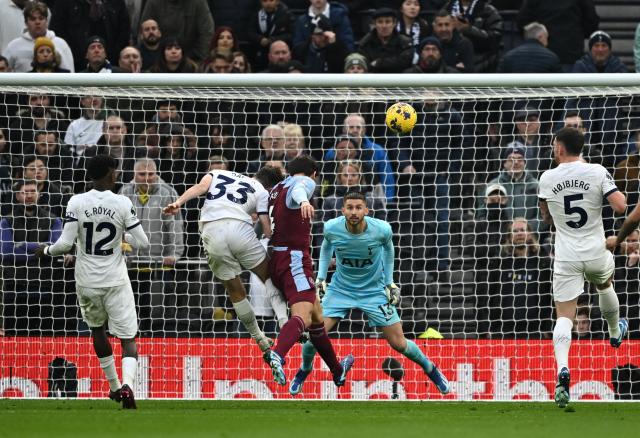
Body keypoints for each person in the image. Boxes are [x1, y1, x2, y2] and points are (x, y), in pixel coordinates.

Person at [288, 190, 450, 396]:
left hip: (373, 290)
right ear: (342, 210)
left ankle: (431, 370)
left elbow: (389, 250)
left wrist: (389, 282)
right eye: (349, 207)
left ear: (366, 210)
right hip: (340, 289)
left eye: (358, 208)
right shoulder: (331, 228)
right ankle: (304, 369)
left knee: (398, 343)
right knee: (314, 338)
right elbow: (326, 246)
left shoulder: (381, 229)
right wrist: (321, 278)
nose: (354, 212)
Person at [35, 155, 150, 409]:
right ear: (109, 172)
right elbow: (143, 243)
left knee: (97, 330)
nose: (118, 174)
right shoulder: (122, 202)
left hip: (86, 280)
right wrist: (122, 237)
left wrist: (45, 251)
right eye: (116, 171)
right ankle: (128, 385)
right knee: (128, 337)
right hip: (115, 280)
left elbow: (64, 244)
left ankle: (114, 387)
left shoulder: (76, 201)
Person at [538, 127, 628, 408]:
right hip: (596, 249)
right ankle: (615, 332)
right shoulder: (597, 171)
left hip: (566, 255)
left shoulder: (547, 178)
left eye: (555, 145)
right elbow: (620, 206)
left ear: (561, 148)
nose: (554, 149)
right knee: (604, 284)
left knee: (564, 315)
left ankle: (562, 369)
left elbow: (546, 219)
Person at [162, 166, 290, 350]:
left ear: (255, 175)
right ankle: (284, 322)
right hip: (239, 229)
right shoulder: (263, 192)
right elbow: (264, 224)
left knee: (235, 290)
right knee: (268, 277)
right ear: (271, 188)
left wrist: (178, 202)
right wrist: (271, 235)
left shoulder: (218, 172)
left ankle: (259, 338)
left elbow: (199, 188)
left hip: (211, 231)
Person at [265, 155, 354, 387]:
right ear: (314, 173)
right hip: (293, 259)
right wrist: (304, 201)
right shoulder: (304, 183)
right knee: (302, 316)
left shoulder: (276, 188)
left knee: (317, 318)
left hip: (277, 257)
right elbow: (301, 189)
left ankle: (337, 370)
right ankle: (278, 353)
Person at [119, 159, 184, 334]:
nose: (147, 178)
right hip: (130, 262)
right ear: (134, 175)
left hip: (159, 262)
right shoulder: (124, 192)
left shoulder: (168, 193)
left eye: (150, 174)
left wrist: (174, 254)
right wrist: (120, 252)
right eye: (142, 174)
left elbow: (175, 226)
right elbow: (118, 225)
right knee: (130, 304)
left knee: (157, 308)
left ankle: (155, 336)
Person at [3, 1, 74, 72]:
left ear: (46, 21)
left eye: (41, 18)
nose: (37, 22)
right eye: (33, 19)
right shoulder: (13, 47)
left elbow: (70, 76)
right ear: (26, 23)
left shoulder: (61, 44)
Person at [357, 7, 414, 73]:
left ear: (394, 23)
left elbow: (404, 63)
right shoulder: (365, 43)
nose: (384, 26)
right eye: (380, 22)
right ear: (374, 24)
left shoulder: (405, 42)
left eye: (388, 22)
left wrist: (379, 63)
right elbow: (365, 66)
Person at [497, 22, 561, 73]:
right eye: (546, 37)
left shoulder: (508, 56)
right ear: (540, 37)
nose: (547, 42)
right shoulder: (551, 57)